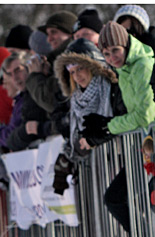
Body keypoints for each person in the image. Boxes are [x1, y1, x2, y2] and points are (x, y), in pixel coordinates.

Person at [79, 22, 155, 233]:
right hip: (147, 144)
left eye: (115, 50)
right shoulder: (123, 70)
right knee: (115, 198)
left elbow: (145, 115)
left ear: (126, 45)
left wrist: (108, 126)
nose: (112, 57)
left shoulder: (142, 65)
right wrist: (105, 125)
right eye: (106, 53)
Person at [51, 38, 124, 194]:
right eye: (72, 72)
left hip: (118, 159)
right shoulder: (75, 99)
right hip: (94, 168)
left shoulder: (111, 87)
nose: (77, 76)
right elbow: (76, 133)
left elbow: (121, 120)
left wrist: (96, 137)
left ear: (92, 66)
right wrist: (69, 156)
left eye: (80, 68)